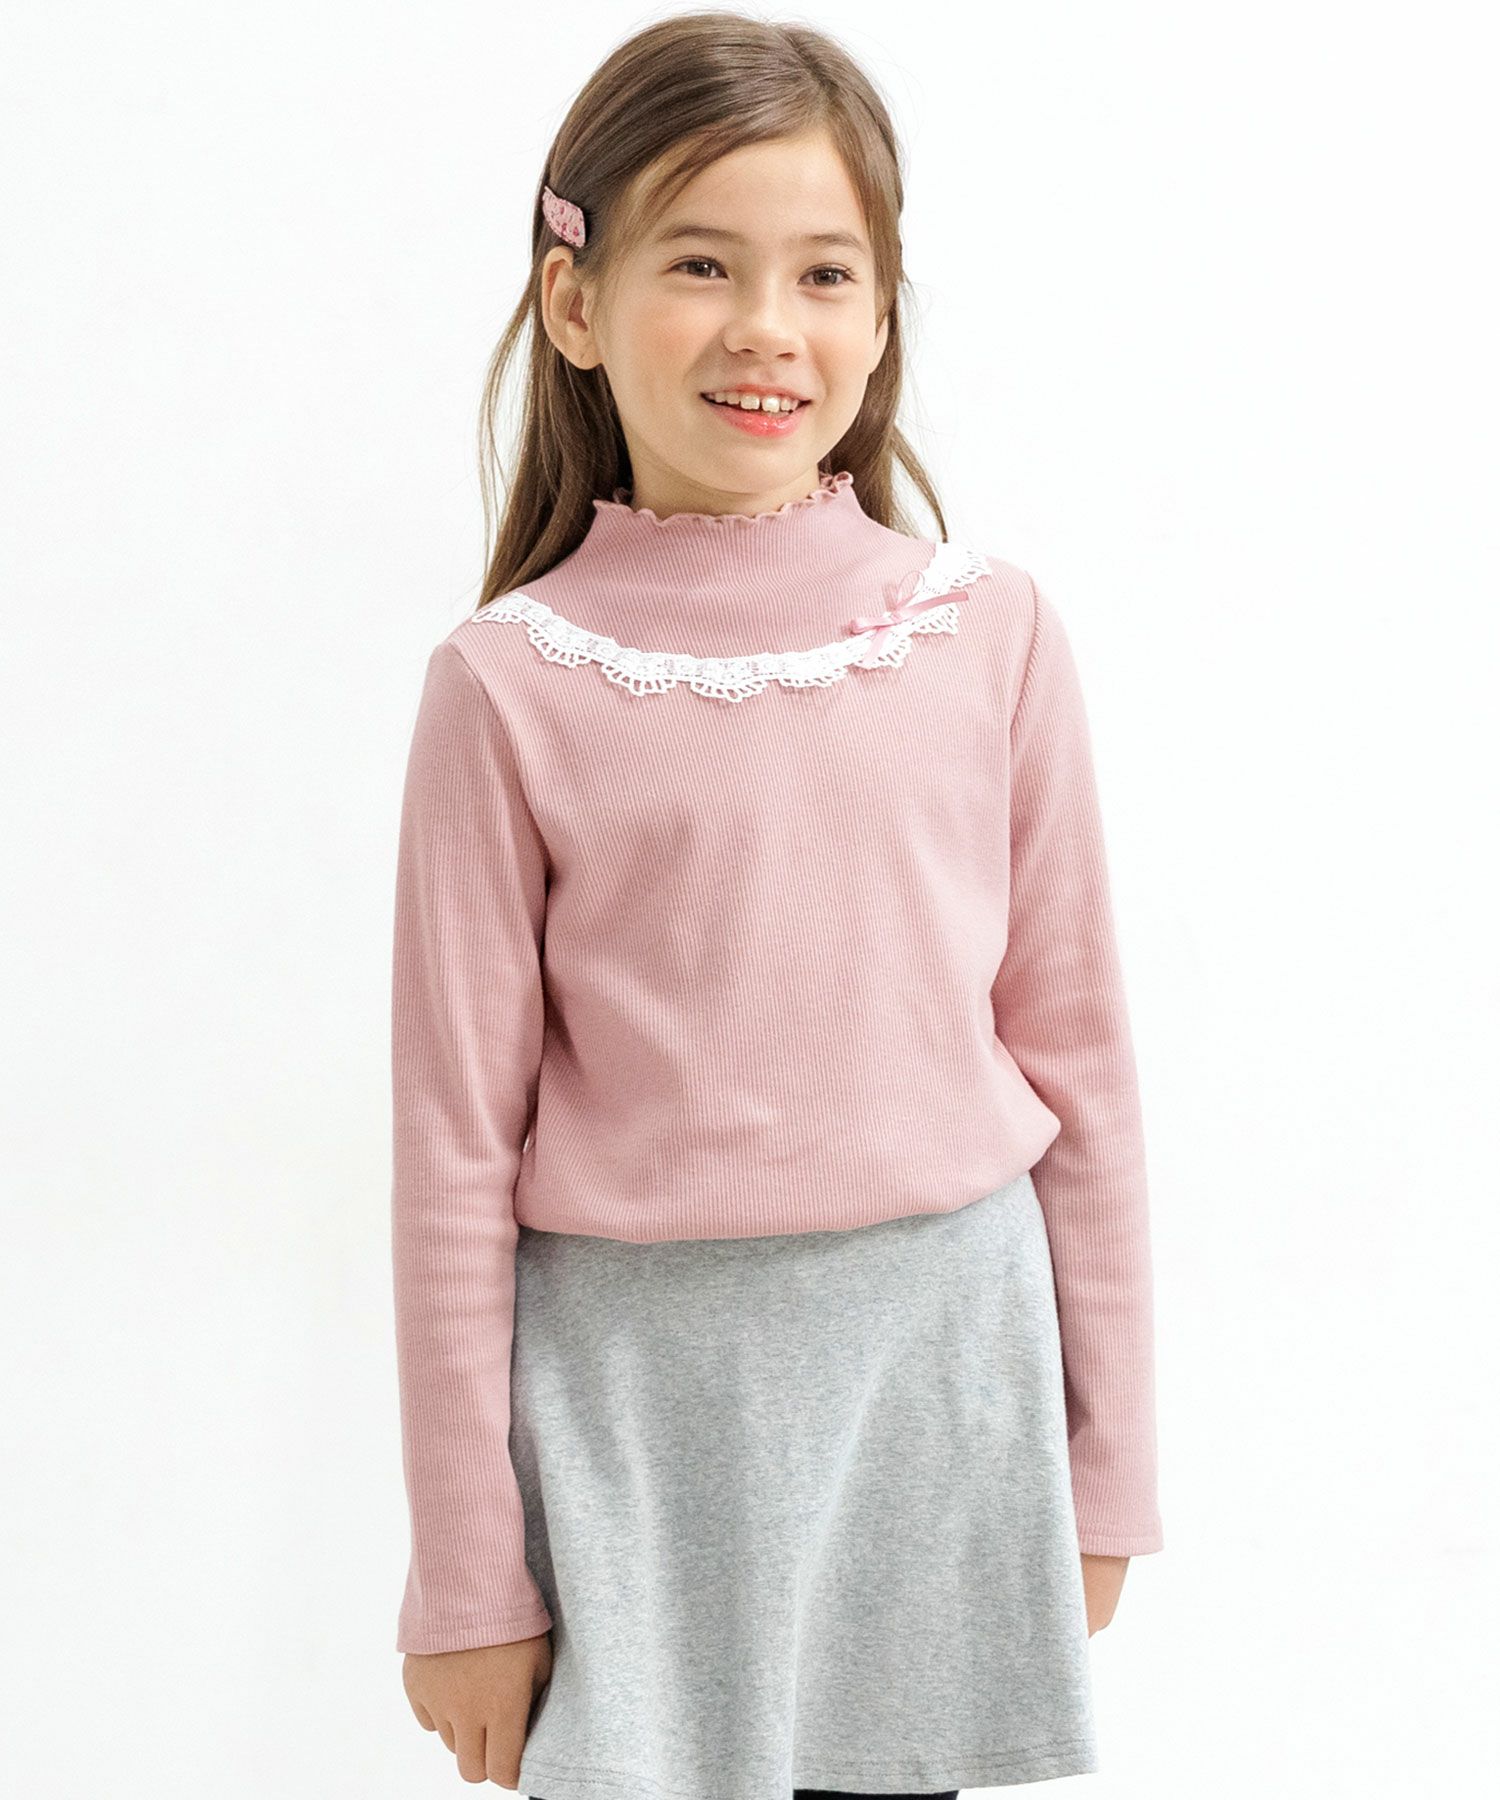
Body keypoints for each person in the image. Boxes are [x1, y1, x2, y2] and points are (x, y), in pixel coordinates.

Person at [390, 11, 1163, 1798]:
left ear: (882, 319)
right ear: (574, 303)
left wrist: (1107, 1464)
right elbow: (450, 1156)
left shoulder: (989, 634)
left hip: (940, 1385)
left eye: (825, 272)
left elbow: (1085, 1071)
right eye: (700, 264)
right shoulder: (508, 687)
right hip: (637, 1414)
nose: (768, 325)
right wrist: (466, 1576)